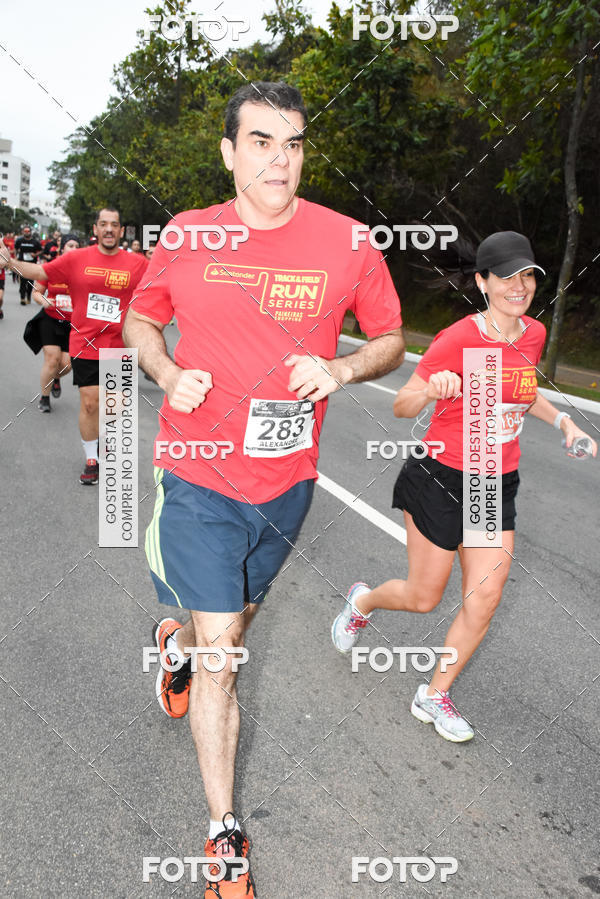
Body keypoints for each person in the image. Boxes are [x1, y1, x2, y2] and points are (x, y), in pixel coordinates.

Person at [123, 81, 405, 898]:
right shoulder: (188, 234)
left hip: (286, 485)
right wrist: (166, 370)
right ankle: (224, 834)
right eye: (261, 142)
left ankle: (176, 646)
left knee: (231, 625)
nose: (280, 160)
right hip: (198, 474)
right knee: (227, 659)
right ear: (228, 152)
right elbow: (142, 320)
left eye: (293, 143)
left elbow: (390, 337)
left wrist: (343, 368)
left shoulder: (348, 241)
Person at [332, 230, 598, 743]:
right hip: (442, 477)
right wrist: (432, 389)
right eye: (507, 277)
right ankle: (362, 602)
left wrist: (564, 421)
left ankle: (433, 695)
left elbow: (522, 390)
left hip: (493, 483)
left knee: (485, 597)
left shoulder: (533, 334)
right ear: (483, 282)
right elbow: (402, 404)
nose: (519, 286)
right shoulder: (457, 339)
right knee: (423, 597)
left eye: (528, 276)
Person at [0, 208, 148, 482]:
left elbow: (164, 283)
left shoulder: (137, 263)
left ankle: (106, 439)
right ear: (95, 229)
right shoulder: (76, 258)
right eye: (103, 224)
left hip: (121, 345)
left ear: (120, 230)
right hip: (86, 343)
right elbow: (40, 271)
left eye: (114, 224)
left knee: (115, 407)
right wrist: (10, 264)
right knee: (90, 403)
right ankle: (92, 457)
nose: (108, 229)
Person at [29, 233, 80, 412]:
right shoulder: (51, 268)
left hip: (72, 324)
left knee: (67, 364)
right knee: (52, 359)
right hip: (50, 319)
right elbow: (36, 292)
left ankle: (55, 378)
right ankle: (44, 398)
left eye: (77, 246)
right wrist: (44, 301)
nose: (74, 249)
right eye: (70, 245)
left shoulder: (84, 271)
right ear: (62, 248)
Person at [14, 225, 42, 304]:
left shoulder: (35, 242)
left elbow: (40, 250)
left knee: (30, 282)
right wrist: (16, 257)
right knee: (23, 282)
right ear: (23, 232)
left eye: (28, 231)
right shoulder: (19, 241)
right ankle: (22, 298)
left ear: (30, 232)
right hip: (22, 264)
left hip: (32, 265)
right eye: (25, 231)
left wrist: (35, 255)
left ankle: (28, 297)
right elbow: (15, 248)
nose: (26, 233)